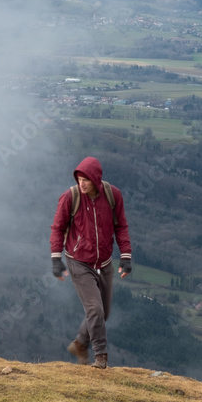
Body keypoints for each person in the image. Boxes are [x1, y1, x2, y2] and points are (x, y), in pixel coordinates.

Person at [50, 156, 132, 369]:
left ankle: (79, 343)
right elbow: (58, 228)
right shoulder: (70, 197)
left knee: (103, 312)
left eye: (86, 179)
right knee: (95, 310)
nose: (82, 183)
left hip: (104, 262)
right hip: (79, 262)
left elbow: (121, 226)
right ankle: (101, 357)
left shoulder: (113, 195)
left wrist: (126, 256)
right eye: (79, 179)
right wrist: (56, 259)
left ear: (95, 179)